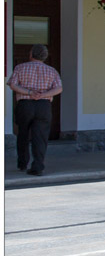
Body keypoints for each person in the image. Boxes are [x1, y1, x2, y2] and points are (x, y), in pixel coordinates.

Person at [7, 45, 62, 176]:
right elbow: (59, 88)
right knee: (40, 136)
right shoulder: (51, 70)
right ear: (45, 56)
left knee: (23, 134)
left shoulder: (20, 67)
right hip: (44, 105)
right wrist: (43, 95)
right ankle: (38, 166)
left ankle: (22, 163)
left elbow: (12, 84)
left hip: (25, 104)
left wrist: (29, 92)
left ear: (31, 54)